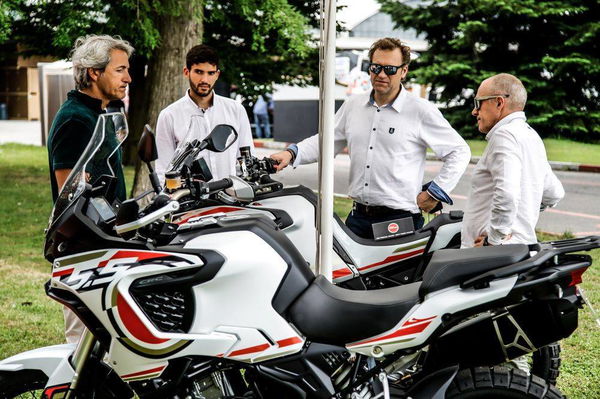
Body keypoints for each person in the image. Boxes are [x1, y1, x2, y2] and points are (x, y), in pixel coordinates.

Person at [271, 37, 470, 239]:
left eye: (390, 69)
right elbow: (326, 142)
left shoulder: (421, 110)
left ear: (404, 71)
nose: (381, 74)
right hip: (357, 218)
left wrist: (435, 193)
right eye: (375, 67)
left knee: (395, 272)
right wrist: (291, 153)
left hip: (400, 221)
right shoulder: (353, 105)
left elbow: (459, 151)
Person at [46, 34, 134, 343]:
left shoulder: (100, 113)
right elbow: (70, 194)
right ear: (94, 72)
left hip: (105, 243)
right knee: (84, 350)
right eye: (120, 69)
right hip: (84, 250)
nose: (128, 78)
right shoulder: (75, 119)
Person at [461, 73, 564, 248]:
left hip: (490, 256)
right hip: (519, 248)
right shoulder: (530, 135)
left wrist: (493, 239)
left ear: (499, 103)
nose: (474, 111)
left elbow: (507, 194)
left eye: (478, 103)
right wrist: (522, 215)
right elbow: (554, 193)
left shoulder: (504, 135)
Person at [155, 45, 254, 182]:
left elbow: (247, 160)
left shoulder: (236, 110)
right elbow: (163, 170)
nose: (205, 80)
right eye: (199, 72)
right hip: (190, 200)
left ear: (217, 74)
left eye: (210, 73)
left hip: (231, 198)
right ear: (186, 72)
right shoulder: (169, 115)